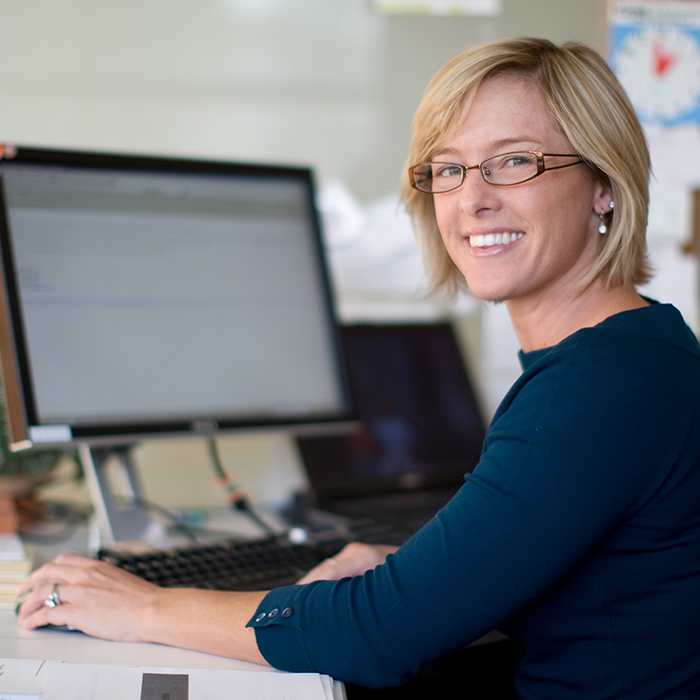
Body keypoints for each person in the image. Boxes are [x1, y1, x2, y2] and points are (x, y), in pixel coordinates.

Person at [16, 37, 700, 699]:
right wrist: (412, 572)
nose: (472, 199)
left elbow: (383, 631)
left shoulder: (600, 384)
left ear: (603, 186)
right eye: (449, 168)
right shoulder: (640, 349)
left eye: (514, 162)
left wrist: (146, 608)